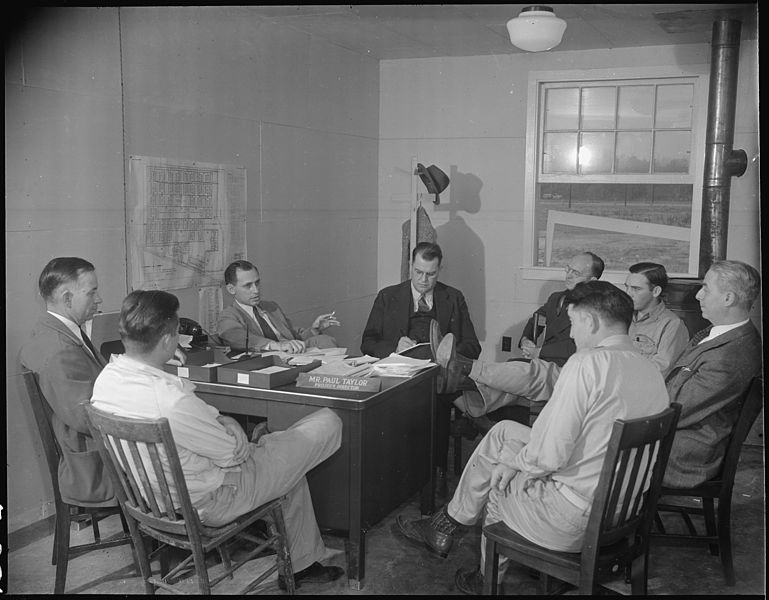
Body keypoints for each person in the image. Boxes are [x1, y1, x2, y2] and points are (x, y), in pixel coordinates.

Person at [395, 280, 669, 594]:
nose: (571, 333)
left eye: (574, 322)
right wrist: (518, 456)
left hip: (572, 521)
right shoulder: (649, 370)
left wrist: (513, 463)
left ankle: (485, 581)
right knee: (502, 433)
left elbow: (548, 456)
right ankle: (447, 524)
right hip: (622, 512)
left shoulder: (586, 364)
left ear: (591, 321)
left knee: (498, 481)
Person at [90, 289, 345, 590]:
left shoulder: (106, 380)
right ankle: (299, 562)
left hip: (155, 502)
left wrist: (224, 421)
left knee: (288, 468)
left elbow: (199, 424)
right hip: (213, 500)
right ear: (167, 340)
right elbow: (231, 455)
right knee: (329, 421)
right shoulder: (170, 401)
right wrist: (234, 428)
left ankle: (301, 565)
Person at [361, 241, 481, 493]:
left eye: (431, 274)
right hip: (399, 374)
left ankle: (433, 473)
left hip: (437, 376)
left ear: (440, 270)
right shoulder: (388, 296)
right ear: (410, 267)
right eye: (418, 272)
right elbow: (367, 342)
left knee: (435, 403)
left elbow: (473, 346)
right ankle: (393, 473)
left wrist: (447, 350)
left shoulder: (453, 297)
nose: (424, 280)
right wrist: (394, 346)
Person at [19, 257, 115, 507]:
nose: (99, 299)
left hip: (91, 450)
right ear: (67, 298)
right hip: (96, 467)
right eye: (92, 292)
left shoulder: (53, 331)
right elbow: (88, 418)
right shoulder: (60, 350)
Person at [663, 260, 762, 488]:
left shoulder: (730, 355)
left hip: (680, 458)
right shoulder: (720, 334)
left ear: (728, 299)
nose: (698, 295)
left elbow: (675, 411)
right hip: (676, 442)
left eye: (706, 288)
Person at [216, 260, 340, 354]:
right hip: (268, 358)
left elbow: (293, 337)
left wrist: (314, 329)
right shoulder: (229, 315)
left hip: (293, 354)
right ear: (231, 289)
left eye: (257, 283)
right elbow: (236, 337)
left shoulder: (271, 307)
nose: (256, 290)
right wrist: (276, 345)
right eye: (248, 285)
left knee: (325, 340)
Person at [518, 251, 604, 366]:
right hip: (542, 363)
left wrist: (539, 352)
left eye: (576, 273)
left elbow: (580, 345)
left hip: (570, 367)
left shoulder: (597, 307)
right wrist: (526, 341)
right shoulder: (556, 298)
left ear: (592, 281)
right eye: (568, 269)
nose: (568, 275)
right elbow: (536, 320)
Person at [625, 262, 690, 373]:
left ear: (656, 291)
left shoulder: (672, 324)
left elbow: (662, 369)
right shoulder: (620, 316)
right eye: (627, 287)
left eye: (636, 289)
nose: (628, 293)